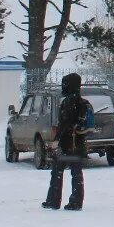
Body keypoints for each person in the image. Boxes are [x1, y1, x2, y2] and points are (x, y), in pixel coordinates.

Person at [42, 73, 92, 211]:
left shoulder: (69, 102)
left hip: (67, 144)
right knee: (76, 173)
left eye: (65, 83)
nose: (63, 86)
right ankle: (76, 201)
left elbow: (64, 123)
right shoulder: (83, 102)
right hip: (79, 142)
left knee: (57, 171)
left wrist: (58, 140)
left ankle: (53, 200)